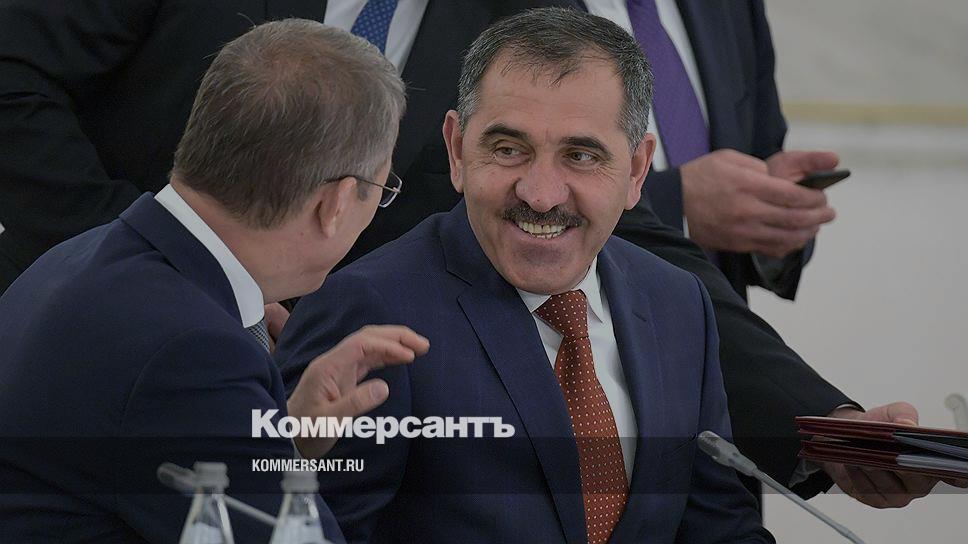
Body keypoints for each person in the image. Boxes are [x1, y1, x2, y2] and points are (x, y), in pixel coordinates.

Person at [0, 0, 935, 508]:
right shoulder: (161, 322)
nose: (541, 186)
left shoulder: (525, 32)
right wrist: (182, 279)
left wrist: (833, 427)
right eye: (502, 148)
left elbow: (616, 225)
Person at [275, 9, 773, 543]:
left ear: (635, 171)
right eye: (508, 150)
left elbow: (720, 528)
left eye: (580, 156)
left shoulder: (678, 303)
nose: (540, 194)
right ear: (457, 150)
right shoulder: (366, 312)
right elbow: (298, 528)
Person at [0, 20, 425, 543]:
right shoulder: (191, 353)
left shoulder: (79, 256)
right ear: (334, 203)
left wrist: (279, 442)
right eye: (381, 189)